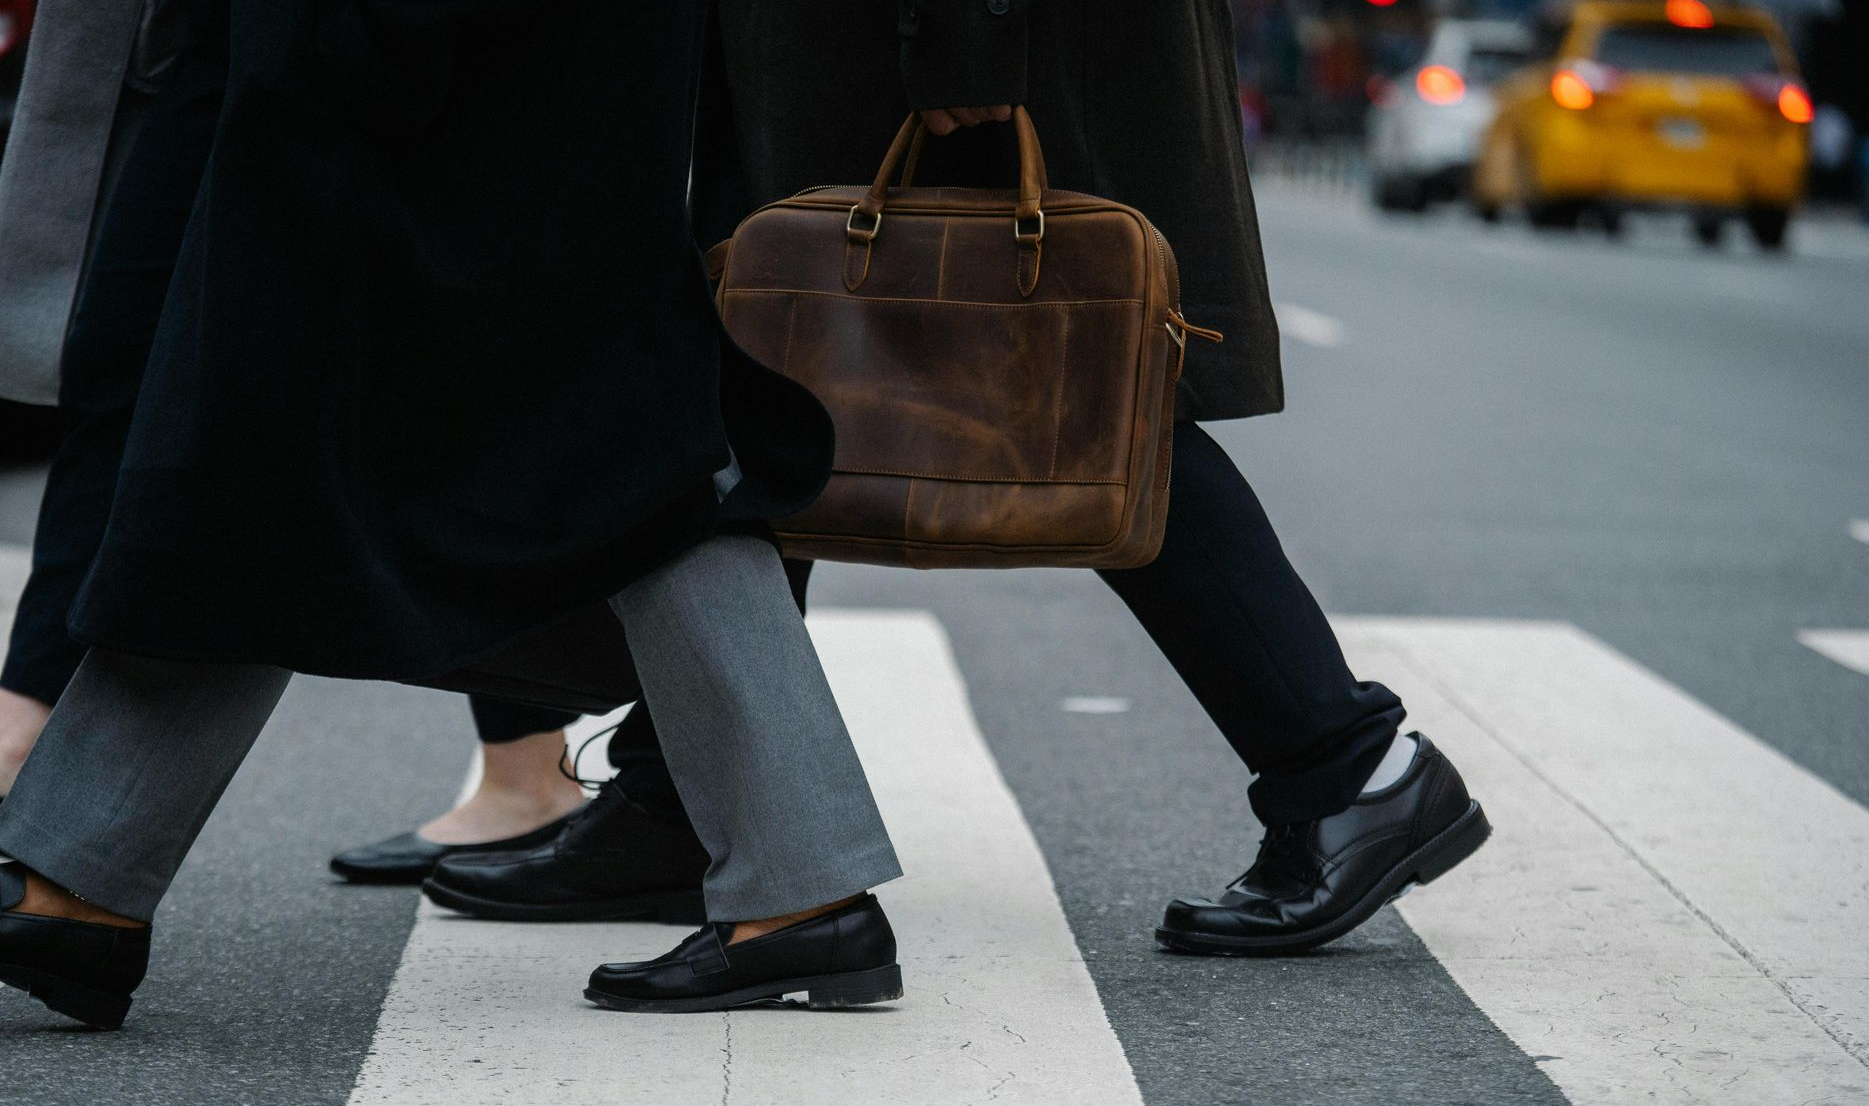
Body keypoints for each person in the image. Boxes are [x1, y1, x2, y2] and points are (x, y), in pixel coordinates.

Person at [423, 0, 1491, 959]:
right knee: (753, 368)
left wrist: (967, 36)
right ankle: (692, 802)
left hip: (946, 51)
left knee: (1079, 398)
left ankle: (1351, 763)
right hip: (866, 45)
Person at [0, 0, 904, 1029]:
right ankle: (81, 880)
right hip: (489, 76)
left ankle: (82, 881)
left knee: (615, 464)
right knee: (314, 460)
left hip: (431, 77)